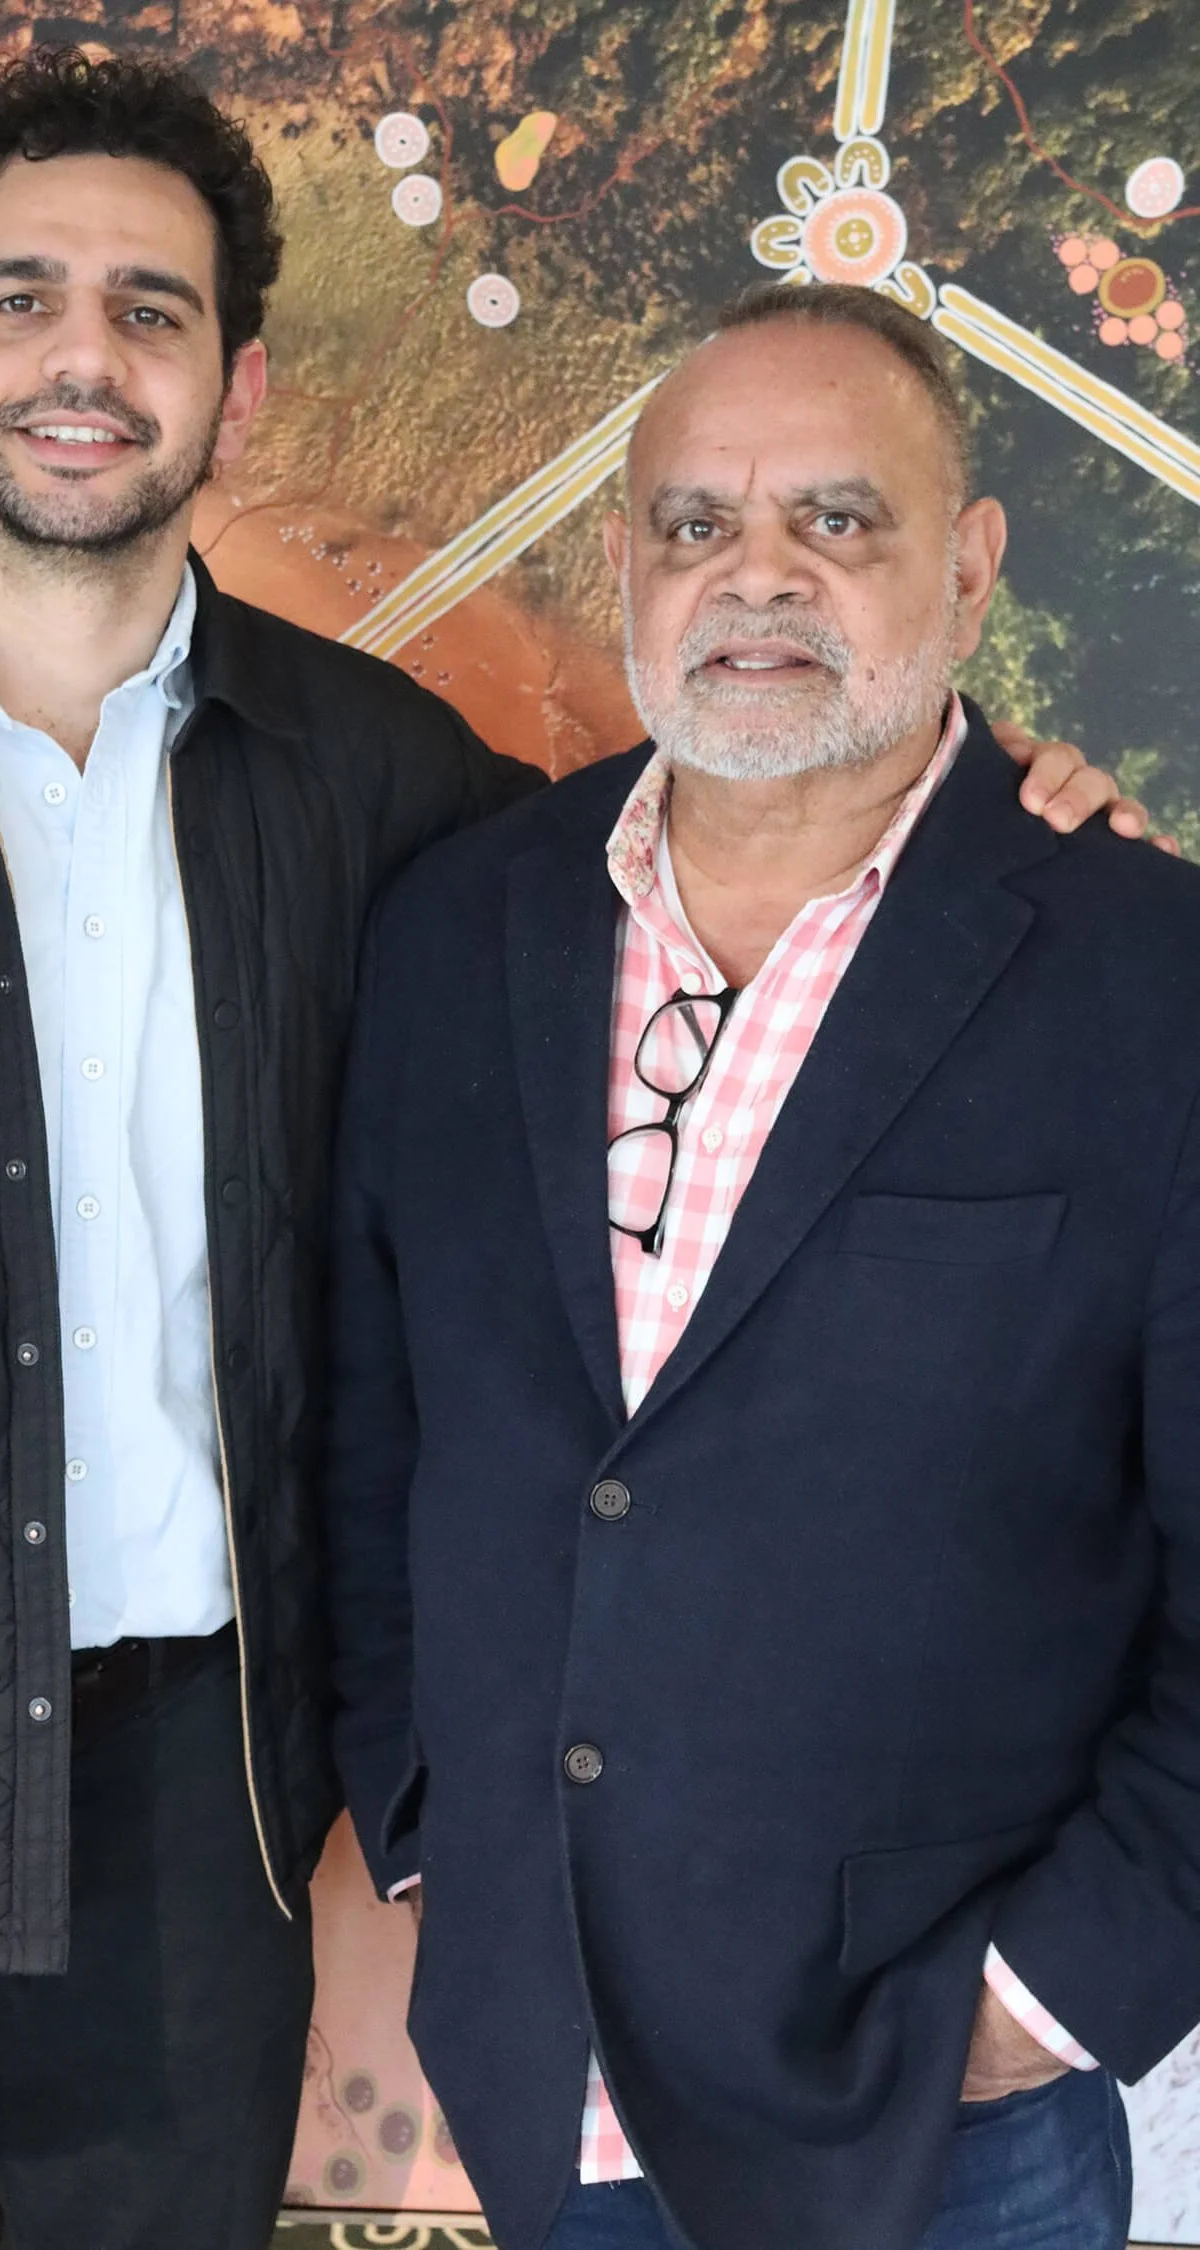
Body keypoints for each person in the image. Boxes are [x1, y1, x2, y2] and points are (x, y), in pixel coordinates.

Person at [0, 49, 1136, 2249]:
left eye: (153, 311)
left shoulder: (388, 791)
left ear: (238, 391)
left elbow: (794, 803)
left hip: (195, 1834)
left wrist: (1019, 814)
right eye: (19, 301)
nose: (86, 360)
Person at [324, 280, 1200, 2250]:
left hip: (941, 2136)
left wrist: (1038, 2004)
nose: (759, 578)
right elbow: (377, 1428)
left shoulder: (1153, 984)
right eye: (698, 527)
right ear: (623, 564)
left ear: (969, 575)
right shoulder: (458, 931)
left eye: (840, 518)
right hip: (542, 2081)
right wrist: (427, 1826)